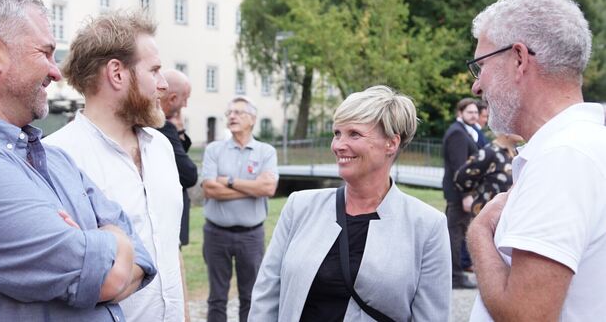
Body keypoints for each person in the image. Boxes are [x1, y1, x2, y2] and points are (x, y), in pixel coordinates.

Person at [0, 0, 156, 320]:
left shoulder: (54, 159)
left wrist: (109, 241)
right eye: (45, 53)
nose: (56, 72)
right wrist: (112, 241)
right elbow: (103, 277)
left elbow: (141, 255)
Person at [249, 85, 451, 321]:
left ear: (391, 143)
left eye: (354, 134)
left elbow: (431, 316)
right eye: (337, 133)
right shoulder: (300, 206)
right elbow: (266, 294)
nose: (338, 145)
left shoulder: (427, 225)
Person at [466, 0, 606, 321]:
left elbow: (526, 315)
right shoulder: (584, 147)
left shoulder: (563, 159)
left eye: (480, 66)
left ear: (518, 59)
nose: (476, 86)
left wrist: (479, 233)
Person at [43, 12, 186, 321]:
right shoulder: (56, 158)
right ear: (117, 74)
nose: (163, 84)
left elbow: (170, 247)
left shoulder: (161, 148)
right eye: (155, 70)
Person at [201, 95, 279, 322]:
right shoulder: (214, 149)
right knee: (216, 297)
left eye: (238, 113)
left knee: (251, 296)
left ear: (252, 119)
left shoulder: (266, 152)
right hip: (216, 234)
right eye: (229, 113)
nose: (232, 116)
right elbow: (210, 190)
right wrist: (251, 188)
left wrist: (230, 181)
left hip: (251, 236)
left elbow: (268, 188)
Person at [158, 68, 198, 247]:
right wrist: (175, 131)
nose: (186, 105)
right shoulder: (162, 127)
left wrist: (179, 132)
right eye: (185, 98)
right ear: (173, 98)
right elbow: (188, 175)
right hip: (165, 224)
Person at [442, 98, 479, 289]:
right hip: (458, 194)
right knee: (455, 235)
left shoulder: (465, 131)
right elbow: (460, 168)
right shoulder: (457, 133)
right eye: (469, 112)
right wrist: (466, 195)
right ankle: (455, 277)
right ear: (460, 113)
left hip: (459, 192)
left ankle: (455, 275)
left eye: (475, 112)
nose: (474, 115)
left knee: (457, 233)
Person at [453, 133, 522, 216]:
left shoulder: (517, 153)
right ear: (506, 131)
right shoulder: (489, 152)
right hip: (488, 218)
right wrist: (467, 195)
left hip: (508, 217)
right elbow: (461, 177)